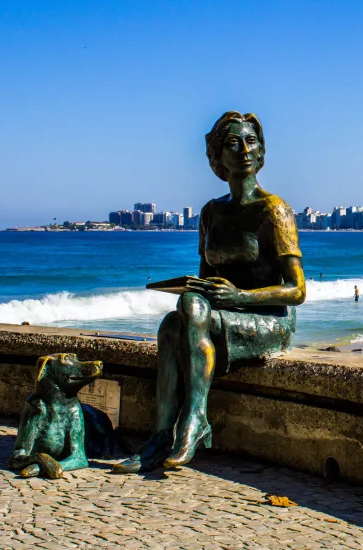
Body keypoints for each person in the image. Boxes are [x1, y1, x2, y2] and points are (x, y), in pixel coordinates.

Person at [114, 111, 306, 474]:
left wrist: (241, 297)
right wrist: (197, 291)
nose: (244, 149)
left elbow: (296, 290)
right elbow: (204, 283)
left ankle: (194, 418)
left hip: (267, 320)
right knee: (172, 325)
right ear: (218, 156)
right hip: (221, 318)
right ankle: (159, 436)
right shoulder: (210, 213)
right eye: (233, 142)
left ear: (262, 151)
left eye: (251, 141)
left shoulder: (274, 210)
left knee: (183, 313)